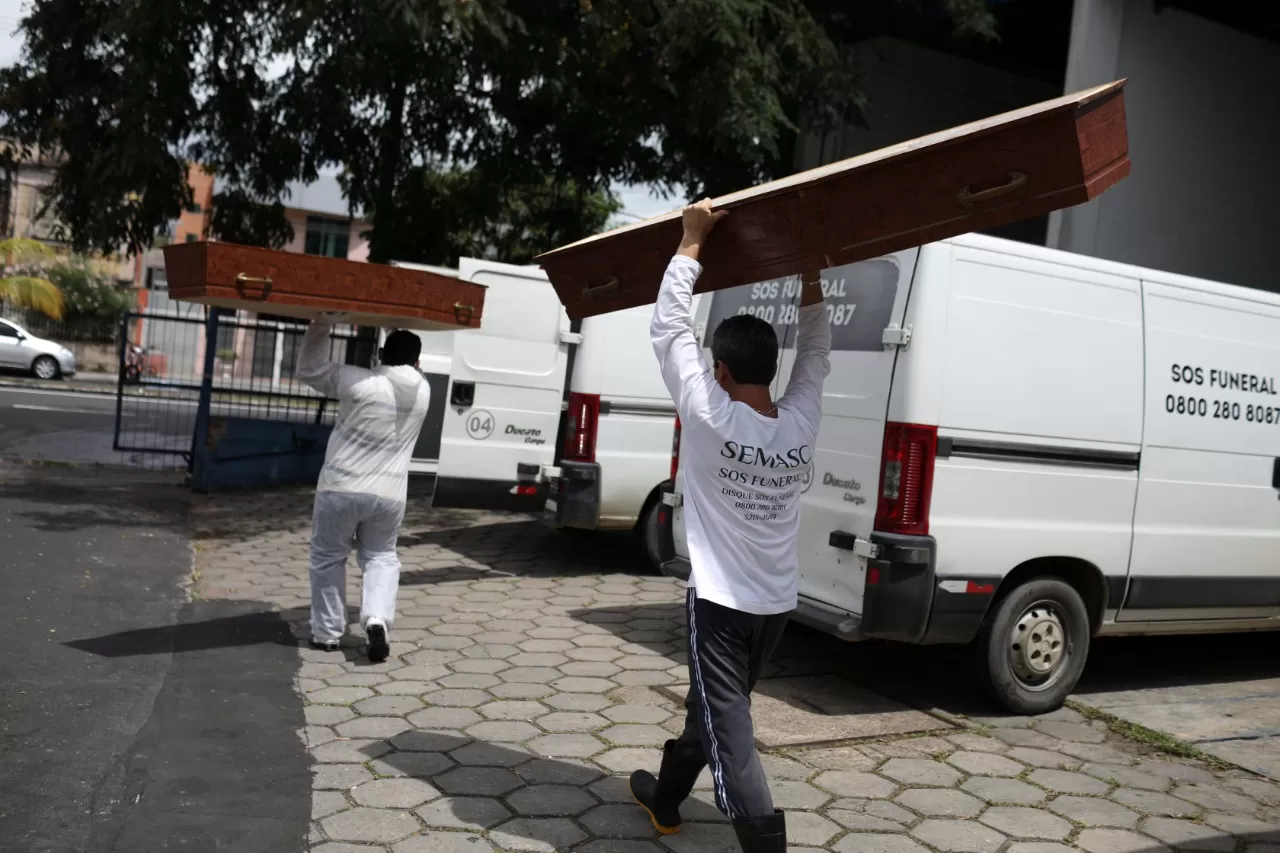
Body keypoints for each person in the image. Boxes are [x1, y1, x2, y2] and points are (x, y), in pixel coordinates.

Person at [630, 199, 830, 853]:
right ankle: (664, 797)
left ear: (720, 370)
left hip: (720, 604)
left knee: (732, 737)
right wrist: (809, 282)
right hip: (774, 607)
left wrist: (691, 241)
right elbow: (817, 356)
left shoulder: (711, 418)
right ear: (772, 367)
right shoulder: (798, 422)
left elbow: (668, 330)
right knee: (712, 713)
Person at [295, 315, 430, 663]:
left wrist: (321, 322)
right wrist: (392, 324)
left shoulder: (358, 382)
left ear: (381, 354)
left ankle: (327, 634)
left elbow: (311, 370)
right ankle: (376, 620)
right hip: (390, 495)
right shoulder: (423, 392)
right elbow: (402, 370)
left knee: (328, 557)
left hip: (341, 487)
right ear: (417, 361)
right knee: (382, 557)